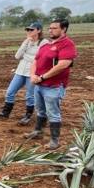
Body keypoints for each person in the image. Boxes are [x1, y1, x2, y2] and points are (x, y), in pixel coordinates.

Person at [25, 19, 77, 149]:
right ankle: (38, 131)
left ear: (63, 29)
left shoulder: (67, 44)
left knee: (53, 112)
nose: (50, 30)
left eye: (54, 28)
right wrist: (33, 75)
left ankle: (54, 140)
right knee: (40, 110)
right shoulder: (45, 45)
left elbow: (63, 65)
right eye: (49, 28)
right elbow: (35, 62)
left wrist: (42, 77)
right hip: (39, 85)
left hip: (53, 86)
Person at [0, 21, 48, 124]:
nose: (28, 31)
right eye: (27, 29)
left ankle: (28, 116)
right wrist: (26, 42)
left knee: (29, 95)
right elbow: (17, 56)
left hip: (32, 72)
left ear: (39, 30)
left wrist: (27, 57)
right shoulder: (27, 41)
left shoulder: (44, 42)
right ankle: (6, 112)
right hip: (20, 70)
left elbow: (41, 58)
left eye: (31, 29)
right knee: (10, 92)